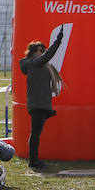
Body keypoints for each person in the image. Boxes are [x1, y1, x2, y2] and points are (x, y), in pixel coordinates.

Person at [18, 28, 64, 171]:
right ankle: (33, 161)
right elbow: (49, 54)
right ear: (32, 52)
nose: (43, 51)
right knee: (36, 133)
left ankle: (34, 159)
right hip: (38, 103)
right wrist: (58, 41)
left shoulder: (37, 64)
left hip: (40, 102)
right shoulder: (35, 63)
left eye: (44, 49)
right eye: (40, 49)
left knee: (36, 133)